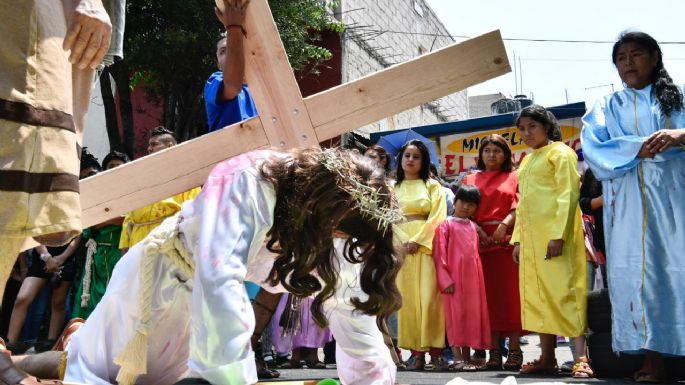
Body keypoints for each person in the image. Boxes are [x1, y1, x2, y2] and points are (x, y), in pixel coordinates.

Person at [32, 147, 403, 385]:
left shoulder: (336, 236)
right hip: (157, 282)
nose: (337, 245)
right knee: (98, 371)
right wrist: (229, 378)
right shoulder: (250, 179)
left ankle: (65, 343)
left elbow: (352, 312)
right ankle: (36, 354)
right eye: (337, 232)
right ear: (321, 213)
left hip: (201, 311)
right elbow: (219, 278)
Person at [581, 31, 685, 383]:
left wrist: (679, 136)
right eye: (621, 58)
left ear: (655, 58)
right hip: (628, 207)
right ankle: (652, 358)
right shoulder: (607, 106)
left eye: (636, 54)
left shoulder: (680, 98)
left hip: (677, 201)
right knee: (642, 278)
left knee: (679, 271)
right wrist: (638, 147)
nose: (628, 63)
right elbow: (595, 149)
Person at [512, 105, 592, 378]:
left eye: (532, 126)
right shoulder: (526, 160)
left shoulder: (561, 153)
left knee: (565, 293)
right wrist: (518, 240)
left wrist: (558, 234)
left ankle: (581, 358)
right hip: (533, 242)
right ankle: (547, 359)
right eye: (522, 128)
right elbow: (523, 205)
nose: (526, 133)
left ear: (547, 126)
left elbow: (568, 194)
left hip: (557, 237)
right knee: (538, 297)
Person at [463, 134, 524, 371]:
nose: (491, 155)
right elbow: (463, 208)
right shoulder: (470, 178)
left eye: (497, 151)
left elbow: (520, 205)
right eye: (487, 150)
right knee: (488, 301)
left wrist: (504, 225)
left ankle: (516, 349)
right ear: (480, 154)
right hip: (479, 245)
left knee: (511, 298)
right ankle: (494, 351)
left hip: (507, 244)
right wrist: (478, 230)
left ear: (506, 155)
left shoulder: (515, 176)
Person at [393, 139, 448, 371]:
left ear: (424, 161)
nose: (411, 160)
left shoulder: (432, 186)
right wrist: (401, 241)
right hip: (400, 248)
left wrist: (417, 240)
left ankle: (435, 352)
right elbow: (386, 217)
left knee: (430, 299)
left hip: (427, 247)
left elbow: (438, 217)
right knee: (407, 303)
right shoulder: (391, 187)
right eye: (407, 155)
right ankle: (415, 354)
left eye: (416, 156)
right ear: (400, 159)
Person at [432, 185, 491, 372]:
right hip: (454, 279)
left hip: (474, 279)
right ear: (455, 202)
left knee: (470, 317)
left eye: (471, 204)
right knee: (455, 317)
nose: (466, 207)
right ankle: (457, 358)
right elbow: (439, 254)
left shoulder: (473, 226)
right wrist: (445, 279)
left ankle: (467, 359)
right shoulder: (446, 225)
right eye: (463, 202)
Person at [119, 127, 201, 253]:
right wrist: (125, 243)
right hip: (138, 242)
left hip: (169, 242)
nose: (149, 149)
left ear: (170, 146)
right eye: (148, 145)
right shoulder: (141, 177)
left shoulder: (186, 176)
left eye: (154, 144)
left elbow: (193, 212)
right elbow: (130, 215)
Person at [72, 151, 130, 320]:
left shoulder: (132, 191)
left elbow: (131, 219)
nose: (114, 170)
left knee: (116, 299)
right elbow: (88, 222)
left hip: (120, 252)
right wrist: (115, 218)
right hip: (96, 256)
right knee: (90, 300)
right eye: (110, 167)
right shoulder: (96, 193)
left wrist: (105, 217)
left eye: (118, 167)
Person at [205, 0, 258, 132]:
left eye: (233, 48)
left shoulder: (262, 87)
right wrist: (233, 26)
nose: (229, 53)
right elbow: (233, 86)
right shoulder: (214, 81)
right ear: (218, 64)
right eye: (223, 51)